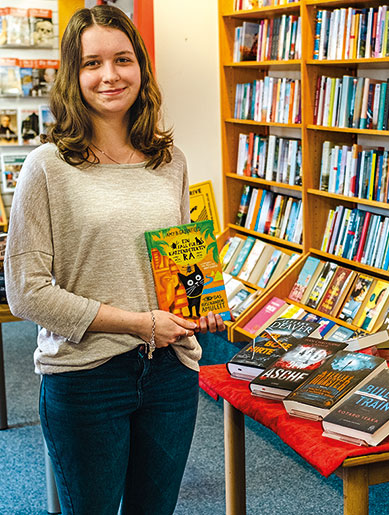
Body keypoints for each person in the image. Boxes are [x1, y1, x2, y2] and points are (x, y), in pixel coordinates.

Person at [4, 6, 224, 515]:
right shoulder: (47, 167)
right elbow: (26, 291)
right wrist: (140, 322)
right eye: (92, 63)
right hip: (87, 375)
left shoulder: (168, 160)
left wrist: (201, 300)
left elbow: (177, 256)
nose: (109, 76)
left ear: (141, 67)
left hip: (170, 370)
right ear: (72, 74)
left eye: (122, 59)